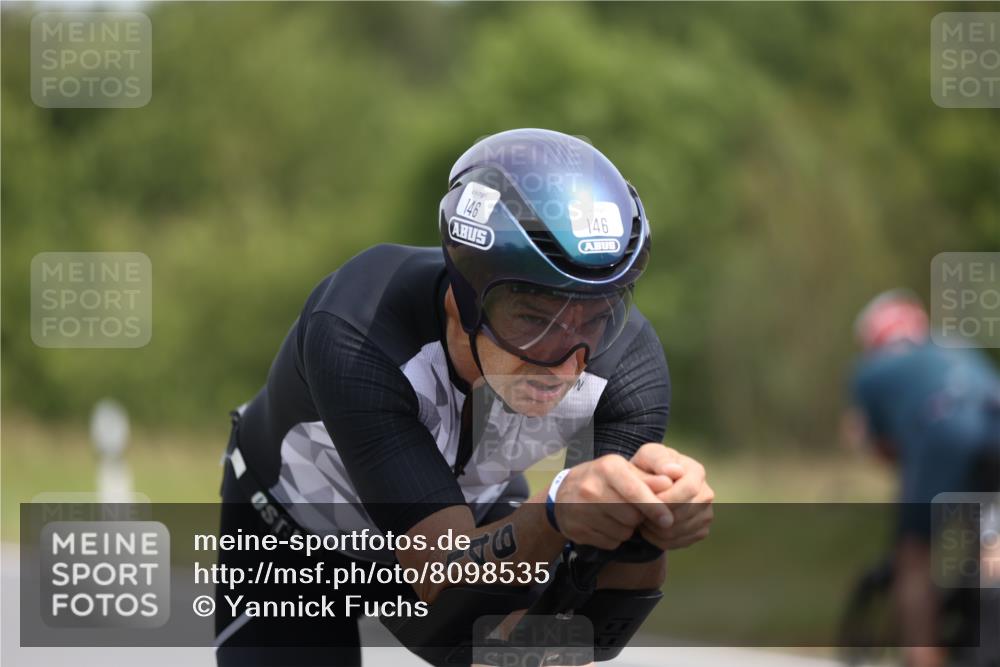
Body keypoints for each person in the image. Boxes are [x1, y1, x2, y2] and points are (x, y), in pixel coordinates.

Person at [213, 128, 714, 666]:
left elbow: (582, 636)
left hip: (464, 516)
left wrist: (647, 527)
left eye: (595, 317)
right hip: (294, 537)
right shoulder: (358, 327)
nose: (566, 362)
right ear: (463, 299)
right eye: (532, 319)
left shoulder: (628, 367)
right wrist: (552, 510)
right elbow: (440, 579)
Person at [845, 289, 1000, 667]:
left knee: (914, 555)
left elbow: (878, 446)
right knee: (991, 539)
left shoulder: (869, 372)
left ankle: (922, 654)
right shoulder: (957, 346)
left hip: (941, 431)